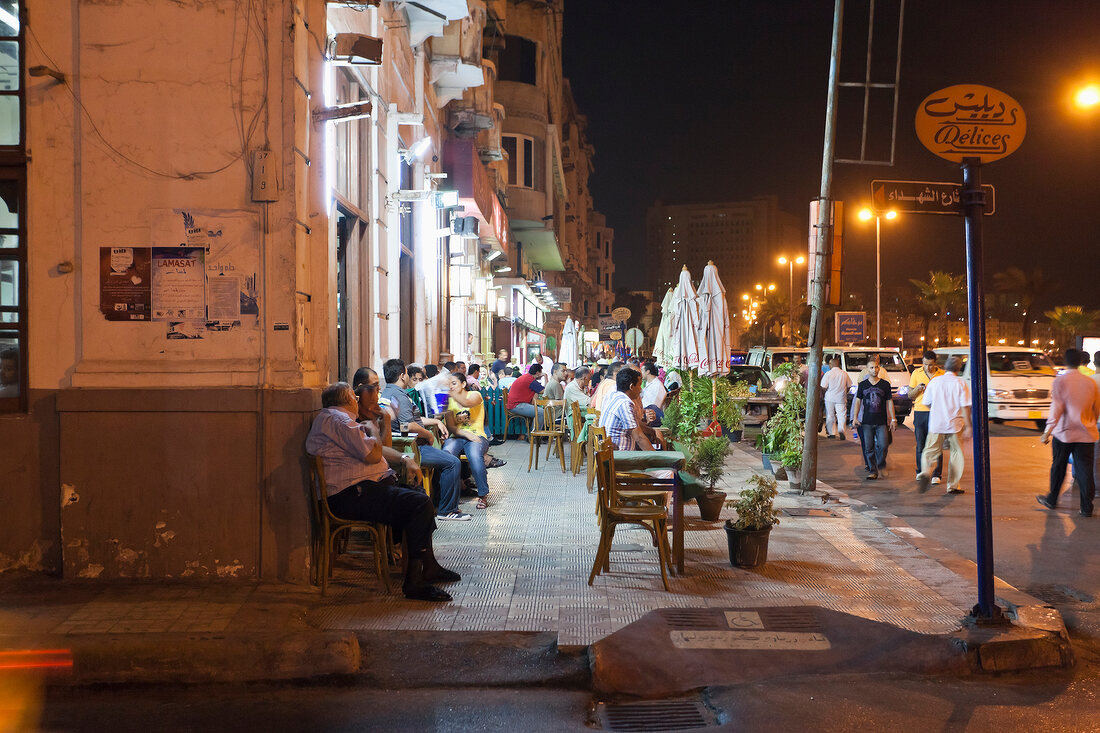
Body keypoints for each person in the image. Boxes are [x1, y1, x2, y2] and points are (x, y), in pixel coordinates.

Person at [306, 382, 459, 602]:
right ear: (347, 399)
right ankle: (414, 582)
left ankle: (430, 566)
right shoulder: (339, 421)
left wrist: (404, 458)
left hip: (359, 490)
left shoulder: (339, 420)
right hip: (350, 496)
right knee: (419, 504)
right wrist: (376, 431)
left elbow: (374, 450)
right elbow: (373, 455)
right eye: (354, 396)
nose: (357, 401)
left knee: (420, 497)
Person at [381, 359, 470, 521]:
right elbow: (407, 425)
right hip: (410, 448)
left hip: (397, 446)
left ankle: (437, 503)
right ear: (402, 376)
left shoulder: (386, 393)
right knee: (452, 462)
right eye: (408, 374)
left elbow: (407, 421)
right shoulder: (400, 396)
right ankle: (447, 510)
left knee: (444, 457)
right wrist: (428, 434)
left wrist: (435, 421)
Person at [1037, 349, 1100, 517]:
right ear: (1081, 362)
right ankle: (1086, 507)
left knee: (1058, 466)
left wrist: (1047, 432)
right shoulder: (1090, 382)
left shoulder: (1060, 381)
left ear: (1066, 361)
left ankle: (1052, 499)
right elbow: (1096, 409)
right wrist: (1089, 423)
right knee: (1085, 470)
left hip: (1064, 434)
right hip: (1086, 434)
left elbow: (1056, 409)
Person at [917, 356, 972, 495]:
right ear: (958, 369)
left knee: (930, 451)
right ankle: (952, 486)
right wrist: (969, 426)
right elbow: (966, 407)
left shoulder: (935, 381)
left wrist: (937, 410)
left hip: (936, 423)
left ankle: (925, 471)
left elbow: (927, 402)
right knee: (956, 453)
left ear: (945, 367)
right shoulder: (961, 383)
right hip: (955, 424)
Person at [442, 371, 493, 510]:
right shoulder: (448, 400)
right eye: (449, 384)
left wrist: (448, 394)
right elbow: (451, 426)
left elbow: (466, 402)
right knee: (446, 454)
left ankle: (483, 495)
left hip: (477, 434)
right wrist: (465, 434)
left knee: (475, 456)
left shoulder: (474, 395)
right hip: (458, 436)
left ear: (464, 384)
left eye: (454, 383)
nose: (451, 387)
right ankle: (450, 497)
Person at [852, 357, 896, 480]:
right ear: (867, 369)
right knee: (868, 447)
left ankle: (881, 464)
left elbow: (890, 402)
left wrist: (893, 419)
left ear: (879, 368)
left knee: (883, 445)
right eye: (871, 367)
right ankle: (873, 470)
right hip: (867, 422)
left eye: (876, 367)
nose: (874, 369)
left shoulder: (885, 384)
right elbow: (857, 402)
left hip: (882, 421)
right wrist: (855, 418)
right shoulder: (862, 385)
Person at [909, 350, 945, 484]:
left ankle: (937, 474)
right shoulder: (916, 373)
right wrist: (917, 388)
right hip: (920, 412)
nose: (927, 367)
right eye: (925, 364)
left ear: (935, 363)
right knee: (920, 444)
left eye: (930, 365)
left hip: (937, 412)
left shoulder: (942, 374)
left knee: (937, 444)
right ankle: (921, 471)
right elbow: (909, 395)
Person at [598, 368, 655, 451]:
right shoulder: (624, 403)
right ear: (631, 387)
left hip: (611, 452)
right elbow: (639, 438)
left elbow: (636, 425)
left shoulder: (615, 396)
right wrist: (657, 457)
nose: (640, 389)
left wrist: (650, 431)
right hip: (619, 456)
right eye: (639, 385)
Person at [820, 355, 852, 439]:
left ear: (831, 364)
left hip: (829, 397)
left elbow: (823, 387)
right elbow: (849, 386)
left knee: (830, 415)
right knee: (841, 415)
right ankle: (841, 431)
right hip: (841, 397)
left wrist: (825, 393)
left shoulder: (828, 374)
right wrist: (845, 392)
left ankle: (832, 433)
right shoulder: (844, 373)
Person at [505, 363, 546, 429]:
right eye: (541, 372)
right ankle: (535, 436)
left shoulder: (527, 377)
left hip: (515, 404)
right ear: (538, 372)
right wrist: (545, 377)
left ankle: (531, 435)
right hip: (516, 405)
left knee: (538, 411)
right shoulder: (530, 380)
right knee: (541, 413)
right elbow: (544, 391)